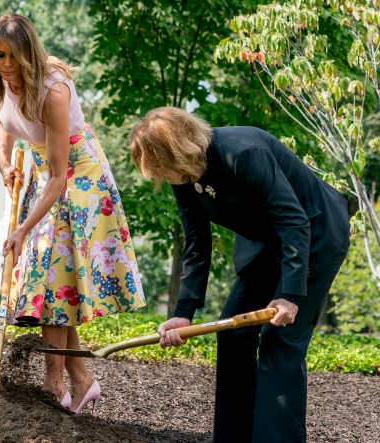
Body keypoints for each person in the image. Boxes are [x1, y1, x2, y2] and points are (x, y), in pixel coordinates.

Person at [127, 107, 351, 443]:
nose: (158, 176)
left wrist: (290, 296)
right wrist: (183, 313)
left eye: (158, 168)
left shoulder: (243, 153)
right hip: (267, 242)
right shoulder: (183, 174)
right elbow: (197, 241)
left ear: (176, 151)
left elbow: (293, 221)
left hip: (315, 234)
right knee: (232, 334)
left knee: (281, 341)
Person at [0, 13, 146, 415]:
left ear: (29, 54)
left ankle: (54, 383)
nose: (6, 64)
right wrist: (5, 162)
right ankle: (80, 379)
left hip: (78, 178)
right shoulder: (2, 82)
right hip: (43, 173)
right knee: (56, 282)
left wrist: (21, 229)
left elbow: (60, 176)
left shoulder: (53, 90)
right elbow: (8, 121)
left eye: (13, 57)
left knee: (53, 280)